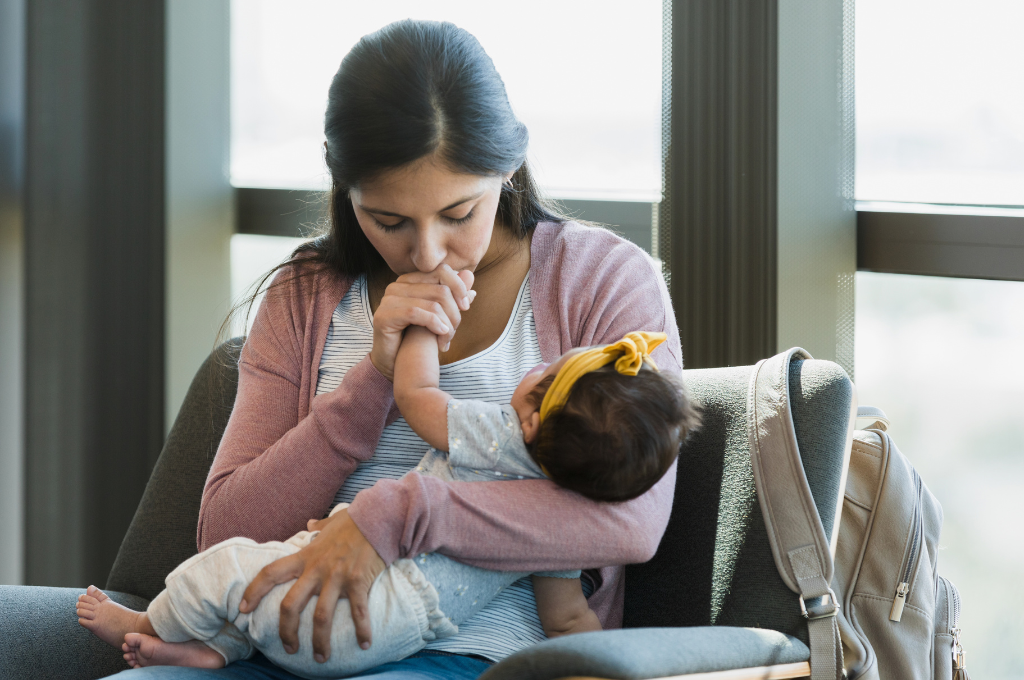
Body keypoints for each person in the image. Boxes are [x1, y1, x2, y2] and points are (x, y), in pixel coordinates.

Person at [94, 18, 684, 679]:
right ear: (347, 193)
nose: (426, 252)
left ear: (510, 165)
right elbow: (225, 533)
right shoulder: (306, 294)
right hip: (267, 640)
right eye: (389, 221)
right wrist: (372, 377)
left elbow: (629, 524)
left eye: (459, 213)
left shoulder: (602, 281)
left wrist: (398, 516)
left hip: (475, 652)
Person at [76, 331, 698, 677]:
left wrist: (421, 331)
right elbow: (567, 621)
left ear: (533, 420)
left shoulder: (503, 438)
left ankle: (150, 622)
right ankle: (217, 650)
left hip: (356, 604)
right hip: (396, 633)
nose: (536, 364)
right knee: (261, 581)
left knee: (231, 566)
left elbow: (419, 396)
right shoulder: (563, 532)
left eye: (544, 370)